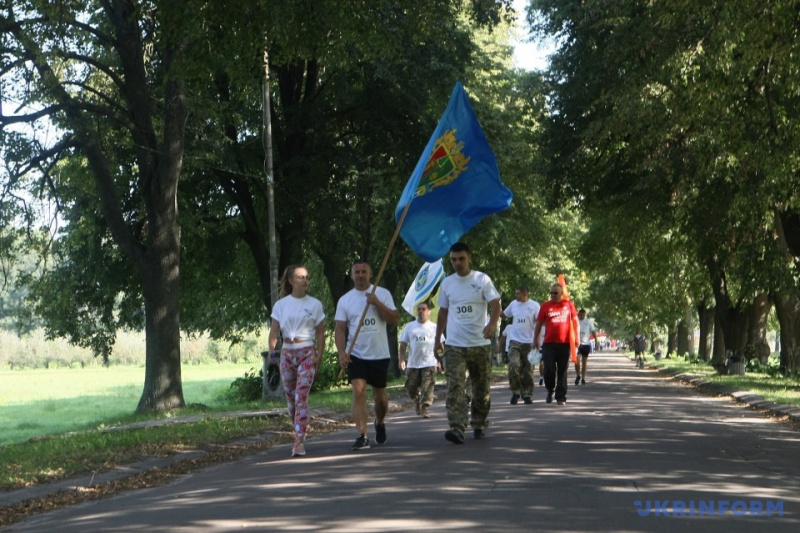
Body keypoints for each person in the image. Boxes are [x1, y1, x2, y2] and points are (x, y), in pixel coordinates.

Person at [434, 242, 501, 444]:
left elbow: (496, 305)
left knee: (481, 388)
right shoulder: (447, 284)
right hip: (455, 345)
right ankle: (457, 427)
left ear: (468, 258)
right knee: (455, 386)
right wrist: (437, 339)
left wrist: (491, 324)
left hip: (479, 343)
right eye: (453, 259)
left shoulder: (482, 280)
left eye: (461, 258)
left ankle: (479, 423)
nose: (457, 263)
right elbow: (443, 313)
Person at [335, 260, 400, 451]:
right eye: (357, 272)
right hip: (356, 354)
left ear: (370, 274)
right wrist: (342, 352)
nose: (360, 275)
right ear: (351, 274)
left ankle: (379, 422)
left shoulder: (383, 293)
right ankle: (361, 435)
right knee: (359, 392)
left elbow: (395, 319)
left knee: (380, 400)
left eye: (364, 271)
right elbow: (339, 329)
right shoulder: (345, 300)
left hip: (379, 353)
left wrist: (377, 303)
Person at [268, 265, 326, 458]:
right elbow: (274, 332)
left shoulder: (315, 304)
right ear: (291, 281)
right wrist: (272, 353)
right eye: (301, 277)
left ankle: (299, 441)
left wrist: (320, 355)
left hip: (307, 352)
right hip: (287, 354)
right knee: (291, 399)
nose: (305, 280)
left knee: (301, 395)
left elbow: (320, 331)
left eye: (307, 277)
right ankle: (298, 428)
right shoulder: (281, 305)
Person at [533, 283, 579, 406]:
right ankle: (550, 389)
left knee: (562, 371)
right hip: (548, 343)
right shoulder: (546, 306)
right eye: (551, 293)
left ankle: (561, 397)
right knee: (548, 369)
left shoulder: (569, 305)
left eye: (555, 293)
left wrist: (576, 339)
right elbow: (538, 324)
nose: (553, 295)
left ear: (561, 294)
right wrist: (535, 340)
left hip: (565, 343)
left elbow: (575, 322)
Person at [398, 299, 439, 419]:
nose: (421, 311)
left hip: (429, 362)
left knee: (427, 387)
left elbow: (440, 345)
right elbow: (403, 345)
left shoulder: (434, 327)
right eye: (419, 309)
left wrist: (439, 360)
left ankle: (425, 408)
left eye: (423, 309)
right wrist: (401, 359)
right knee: (411, 387)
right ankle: (417, 403)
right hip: (413, 363)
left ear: (429, 311)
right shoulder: (410, 327)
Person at [501, 285, 540, 405]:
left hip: (529, 342)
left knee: (528, 370)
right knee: (513, 365)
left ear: (525, 294)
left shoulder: (534, 306)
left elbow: (539, 323)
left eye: (518, 293)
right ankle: (516, 391)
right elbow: (503, 314)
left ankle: (527, 394)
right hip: (515, 341)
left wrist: (536, 340)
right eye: (516, 293)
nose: (516, 295)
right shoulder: (513, 304)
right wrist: (496, 308)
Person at [575, 309, 597, 385]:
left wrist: (596, 341)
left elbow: (593, 331)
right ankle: (578, 375)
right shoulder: (575, 320)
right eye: (580, 315)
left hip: (586, 344)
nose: (582, 316)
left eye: (583, 315)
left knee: (584, 362)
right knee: (577, 361)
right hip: (576, 343)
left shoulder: (588, 322)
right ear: (578, 314)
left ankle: (583, 378)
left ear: (585, 315)